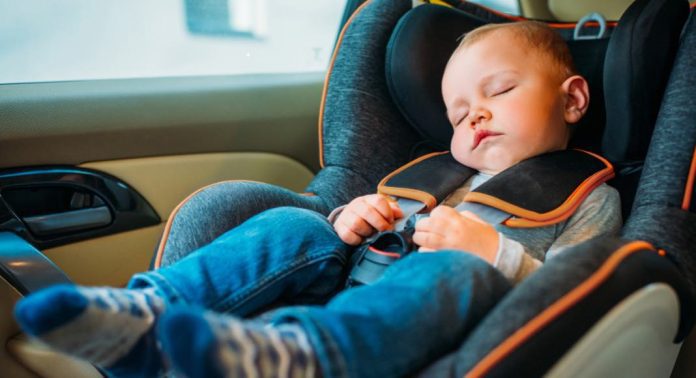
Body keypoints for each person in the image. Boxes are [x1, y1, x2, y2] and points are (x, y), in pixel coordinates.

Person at [14, 21, 621, 378]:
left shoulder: (588, 198)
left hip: (443, 327)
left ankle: (304, 356)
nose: (476, 115)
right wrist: (348, 220)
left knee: (452, 272)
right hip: (343, 291)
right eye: (459, 114)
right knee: (293, 225)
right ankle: (146, 319)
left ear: (572, 100)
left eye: (502, 90)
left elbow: (583, 291)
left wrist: (493, 253)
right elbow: (345, 233)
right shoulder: (432, 176)